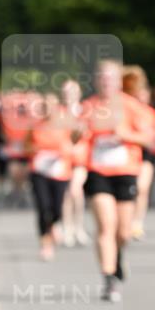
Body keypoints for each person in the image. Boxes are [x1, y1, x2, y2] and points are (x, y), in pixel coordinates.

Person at [83, 60, 152, 302]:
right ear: (96, 80)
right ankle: (109, 279)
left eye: (110, 77)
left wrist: (125, 135)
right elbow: (75, 139)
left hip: (125, 171)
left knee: (123, 231)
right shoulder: (88, 107)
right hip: (98, 171)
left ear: (118, 81)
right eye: (102, 77)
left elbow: (149, 138)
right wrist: (79, 134)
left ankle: (118, 256)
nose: (106, 81)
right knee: (106, 226)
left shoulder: (131, 106)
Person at [24, 92, 74, 260]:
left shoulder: (66, 125)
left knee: (57, 209)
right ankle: (45, 243)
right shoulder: (35, 126)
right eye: (44, 106)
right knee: (43, 207)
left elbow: (76, 144)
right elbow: (26, 147)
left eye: (51, 105)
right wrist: (38, 150)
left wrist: (65, 151)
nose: (48, 109)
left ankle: (54, 225)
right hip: (39, 172)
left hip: (60, 171)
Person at [122, 66, 155, 241]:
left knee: (142, 188)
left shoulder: (149, 113)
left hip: (146, 154)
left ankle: (137, 223)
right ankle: (126, 221)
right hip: (128, 152)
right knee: (131, 189)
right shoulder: (125, 107)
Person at [60, 78, 90, 247]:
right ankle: (67, 227)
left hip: (80, 159)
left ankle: (79, 227)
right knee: (66, 195)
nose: (68, 95)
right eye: (65, 92)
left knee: (75, 190)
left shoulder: (85, 112)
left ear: (79, 94)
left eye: (71, 92)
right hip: (62, 160)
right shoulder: (58, 113)